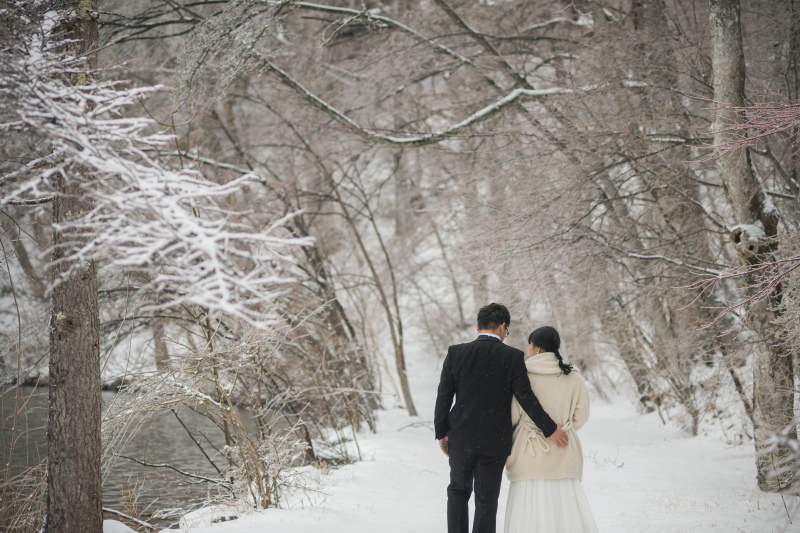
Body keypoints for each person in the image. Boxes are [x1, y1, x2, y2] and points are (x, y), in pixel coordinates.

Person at [434, 304, 569, 533]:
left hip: (461, 438)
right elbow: (526, 398)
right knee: (486, 501)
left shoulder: (456, 353)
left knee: (458, 491)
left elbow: (444, 396)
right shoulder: (513, 357)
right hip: (494, 442)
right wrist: (550, 428)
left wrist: (441, 433)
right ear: (504, 327)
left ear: (478, 326)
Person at [503, 326, 598, 533]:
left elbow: (513, 415)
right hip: (562, 452)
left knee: (529, 514)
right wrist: (563, 429)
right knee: (565, 512)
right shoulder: (574, 378)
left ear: (536, 349)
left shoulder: (523, 376)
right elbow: (581, 416)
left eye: (530, 344)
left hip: (529, 455)